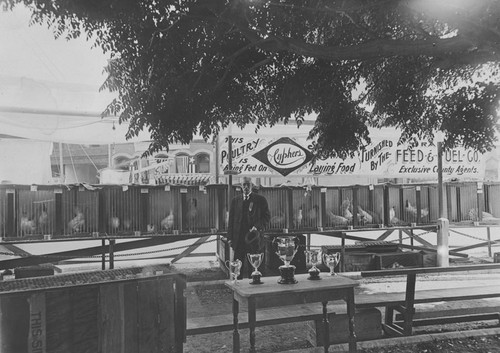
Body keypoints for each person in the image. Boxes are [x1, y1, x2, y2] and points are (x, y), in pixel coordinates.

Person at [227, 176, 271, 279]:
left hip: (254, 239)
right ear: (241, 186)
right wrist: (230, 237)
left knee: (255, 267)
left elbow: (267, 217)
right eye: (244, 185)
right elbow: (231, 221)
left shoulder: (260, 200)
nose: (246, 187)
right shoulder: (235, 201)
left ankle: (255, 288)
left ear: (252, 186)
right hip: (239, 239)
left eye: (248, 185)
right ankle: (238, 286)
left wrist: (257, 226)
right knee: (238, 267)